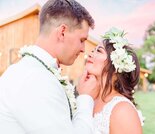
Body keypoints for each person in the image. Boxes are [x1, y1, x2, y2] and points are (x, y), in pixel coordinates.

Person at [0, 0, 97, 134]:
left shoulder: (29, 70)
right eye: (81, 40)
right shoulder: (36, 79)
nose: (83, 49)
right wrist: (86, 98)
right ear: (62, 32)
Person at [85, 27, 144, 134]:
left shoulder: (123, 110)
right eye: (93, 50)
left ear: (116, 65)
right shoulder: (89, 99)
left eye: (99, 51)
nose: (90, 54)